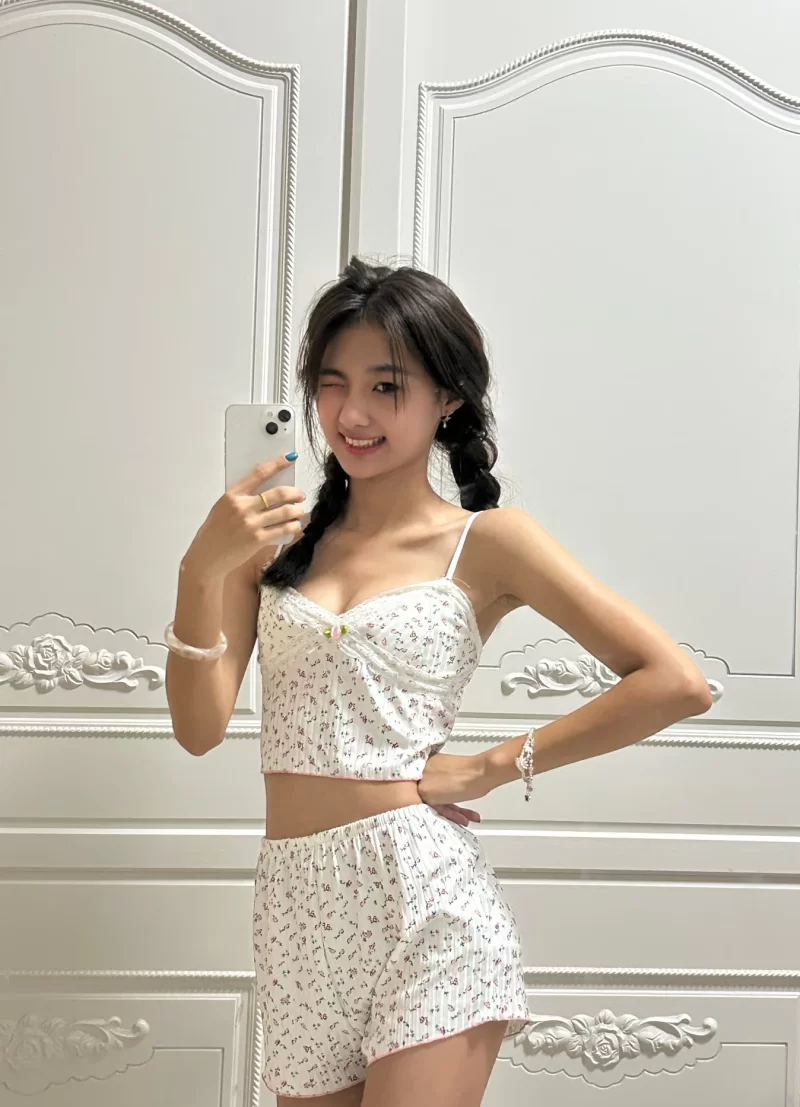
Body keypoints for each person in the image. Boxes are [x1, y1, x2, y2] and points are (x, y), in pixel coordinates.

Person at [164, 257, 712, 1107]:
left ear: (448, 396)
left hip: (428, 906)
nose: (352, 414)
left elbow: (675, 681)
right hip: (296, 908)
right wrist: (200, 569)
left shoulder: (488, 542)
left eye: (386, 386)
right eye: (332, 383)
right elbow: (198, 728)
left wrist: (494, 763)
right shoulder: (269, 544)